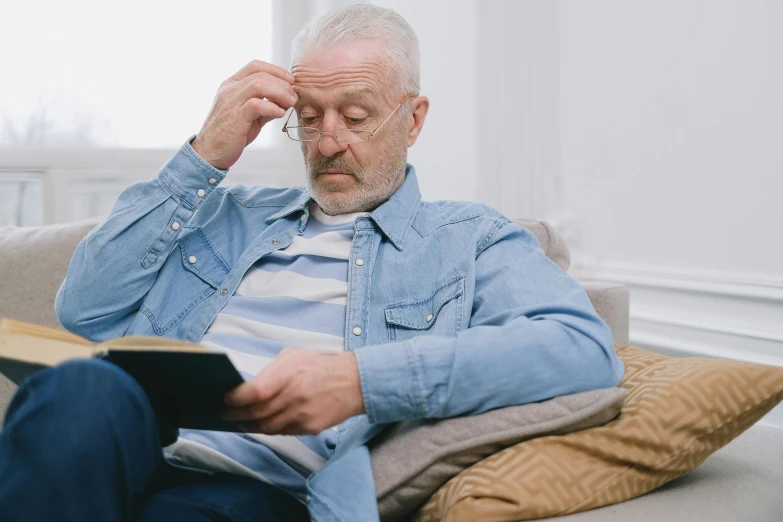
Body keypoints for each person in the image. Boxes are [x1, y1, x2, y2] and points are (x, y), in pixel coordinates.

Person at [0, 5, 624, 522]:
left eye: (355, 117)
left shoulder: (470, 238)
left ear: (414, 119)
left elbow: (580, 347)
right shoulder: (229, 212)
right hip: (129, 445)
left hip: (255, 493)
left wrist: (358, 381)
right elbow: (84, 307)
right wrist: (204, 156)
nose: (327, 142)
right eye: (308, 117)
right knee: (81, 386)